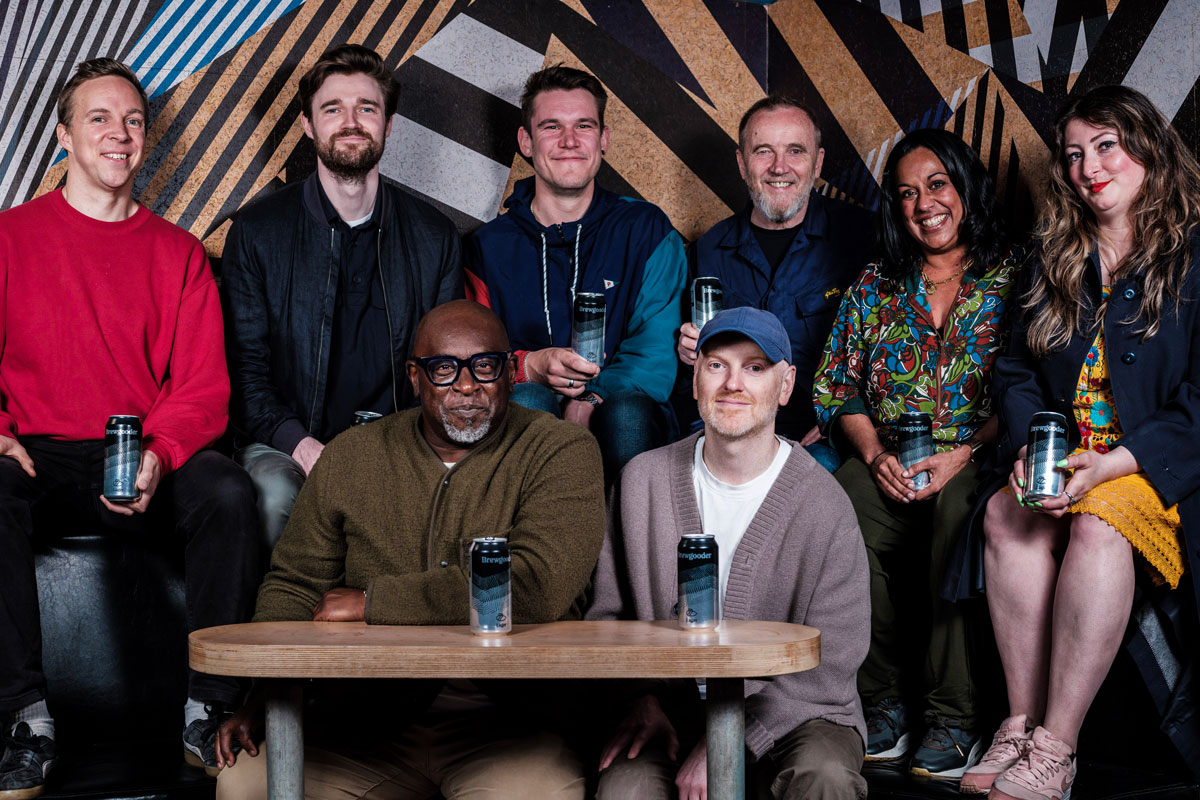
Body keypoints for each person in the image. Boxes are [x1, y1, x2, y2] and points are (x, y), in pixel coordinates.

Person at [213, 300, 606, 799]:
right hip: (362, 727)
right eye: (444, 369)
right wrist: (265, 694)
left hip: (509, 729)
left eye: (484, 366)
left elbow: (536, 584)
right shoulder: (351, 454)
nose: (466, 386)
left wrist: (373, 603)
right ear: (414, 377)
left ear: (510, 374)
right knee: (245, 784)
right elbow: (295, 584)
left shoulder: (560, 451)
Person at [0, 59, 259, 796]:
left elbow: (204, 386)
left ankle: (208, 710)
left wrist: (159, 453)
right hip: (37, 455)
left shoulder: (176, 252)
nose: (120, 134)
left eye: (134, 120)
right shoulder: (10, 239)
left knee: (230, 491)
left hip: (141, 448)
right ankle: (23, 719)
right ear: (64, 136)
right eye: (99, 119)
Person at [959, 85, 1200, 800]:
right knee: (1006, 513)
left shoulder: (1193, 252)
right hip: (1064, 456)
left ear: (1148, 147)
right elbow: (1014, 368)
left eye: (1105, 146)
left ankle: (1057, 750)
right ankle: (1020, 725)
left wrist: (1115, 465)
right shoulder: (1054, 252)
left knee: (1099, 523)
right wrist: (1041, 450)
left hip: (1151, 466)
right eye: (1073, 155)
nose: (1088, 167)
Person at [588, 306, 870, 800]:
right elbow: (608, 620)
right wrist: (640, 700)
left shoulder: (823, 502)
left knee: (825, 777)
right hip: (671, 707)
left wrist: (731, 741)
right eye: (717, 365)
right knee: (625, 788)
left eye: (755, 368)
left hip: (794, 715)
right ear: (695, 378)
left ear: (785, 386)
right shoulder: (642, 481)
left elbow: (832, 664)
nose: (733, 384)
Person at [812, 128, 1019, 780]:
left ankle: (953, 718)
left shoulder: (1012, 274)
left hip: (978, 457)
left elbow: (1034, 387)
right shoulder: (874, 284)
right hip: (892, 458)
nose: (923, 202)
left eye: (936, 184)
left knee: (961, 508)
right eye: (906, 193)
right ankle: (882, 705)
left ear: (963, 186)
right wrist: (875, 457)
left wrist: (961, 454)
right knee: (838, 499)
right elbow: (837, 387)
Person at [222, 43, 462, 551]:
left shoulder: (433, 235)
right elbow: (245, 374)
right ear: (308, 125)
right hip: (286, 444)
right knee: (270, 492)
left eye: (366, 108)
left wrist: (409, 450)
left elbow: (445, 368)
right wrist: (305, 449)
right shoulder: (258, 231)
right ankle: (279, 631)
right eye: (333, 109)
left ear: (389, 124)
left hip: (403, 441)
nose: (350, 122)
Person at [465, 65, 686, 482]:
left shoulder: (646, 229)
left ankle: (633, 545)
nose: (569, 141)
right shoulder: (487, 247)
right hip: (525, 418)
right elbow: (472, 358)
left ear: (603, 139)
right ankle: (529, 545)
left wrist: (591, 399)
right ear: (526, 142)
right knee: (528, 401)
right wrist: (530, 366)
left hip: (626, 418)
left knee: (626, 412)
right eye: (552, 126)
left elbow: (655, 350)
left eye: (583, 125)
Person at [675, 96, 874, 472]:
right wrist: (689, 354)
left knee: (815, 472)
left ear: (817, 162)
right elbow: (690, 374)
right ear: (742, 163)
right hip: (728, 429)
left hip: (821, 435)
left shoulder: (863, 239)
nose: (779, 167)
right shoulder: (710, 249)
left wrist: (844, 419)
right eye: (763, 151)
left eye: (795, 151)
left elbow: (889, 349)